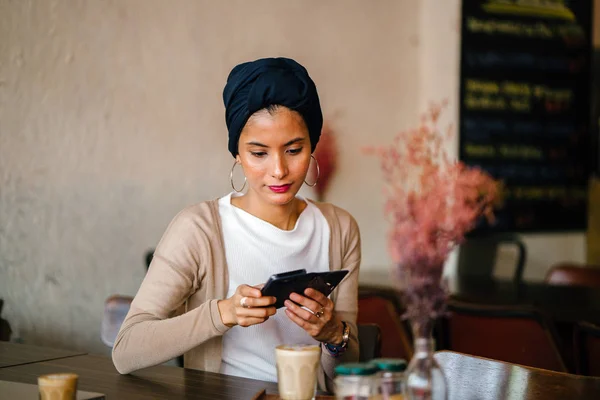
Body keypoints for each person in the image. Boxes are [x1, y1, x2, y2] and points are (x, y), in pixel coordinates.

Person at [112, 57, 361, 392]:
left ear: (311, 146)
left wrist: (333, 334)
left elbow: (350, 371)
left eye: (293, 150)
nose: (278, 170)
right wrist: (223, 313)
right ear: (238, 155)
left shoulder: (340, 230)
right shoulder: (199, 230)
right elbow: (126, 349)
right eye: (259, 153)